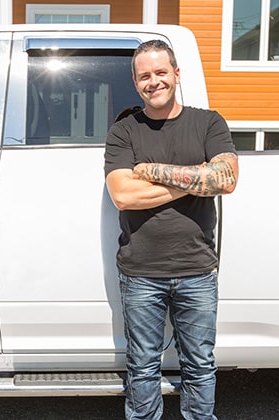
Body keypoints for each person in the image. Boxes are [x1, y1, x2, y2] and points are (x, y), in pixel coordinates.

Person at [104, 40, 239, 420]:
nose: (154, 81)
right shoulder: (124, 131)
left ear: (177, 75)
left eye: (161, 72)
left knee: (199, 365)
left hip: (196, 268)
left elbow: (227, 179)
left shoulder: (208, 122)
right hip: (140, 271)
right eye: (145, 76)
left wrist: (150, 169)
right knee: (142, 367)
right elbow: (123, 195)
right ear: (135, 82)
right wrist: (198, 176)